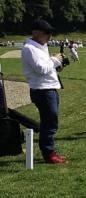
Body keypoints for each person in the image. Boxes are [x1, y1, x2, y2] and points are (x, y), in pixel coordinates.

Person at [21, 19, 67, 164]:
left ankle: (49, 150)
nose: (50, 36)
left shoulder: (41, 47)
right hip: (42, 90)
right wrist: (55, 60)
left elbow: (46, 68)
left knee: (50, 121)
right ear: (36, 32)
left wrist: (57, 64)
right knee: (50, 122)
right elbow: (41, 69)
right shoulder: (29, 48)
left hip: (49, 88)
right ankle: (48, 153)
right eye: (47, 33)